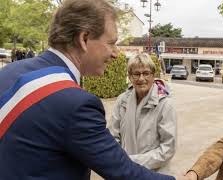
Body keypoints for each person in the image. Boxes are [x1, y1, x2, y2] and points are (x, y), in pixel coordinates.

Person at [0, 0, 177, 179]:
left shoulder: (8, 72)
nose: (116, 53)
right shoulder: (76, 103)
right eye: (111, 43)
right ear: (84, 39)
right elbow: (124, 173)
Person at [110, 53, 177, 170]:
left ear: (153, 75)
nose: (141, 78)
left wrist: (132, 162)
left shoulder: (165, 104)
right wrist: (119, 160)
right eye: (136, 74)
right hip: (124, 171)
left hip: (152, 173)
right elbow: (112, 135)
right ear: (130, 77)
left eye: (146, 73)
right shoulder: (122, 100)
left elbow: (168, 148)